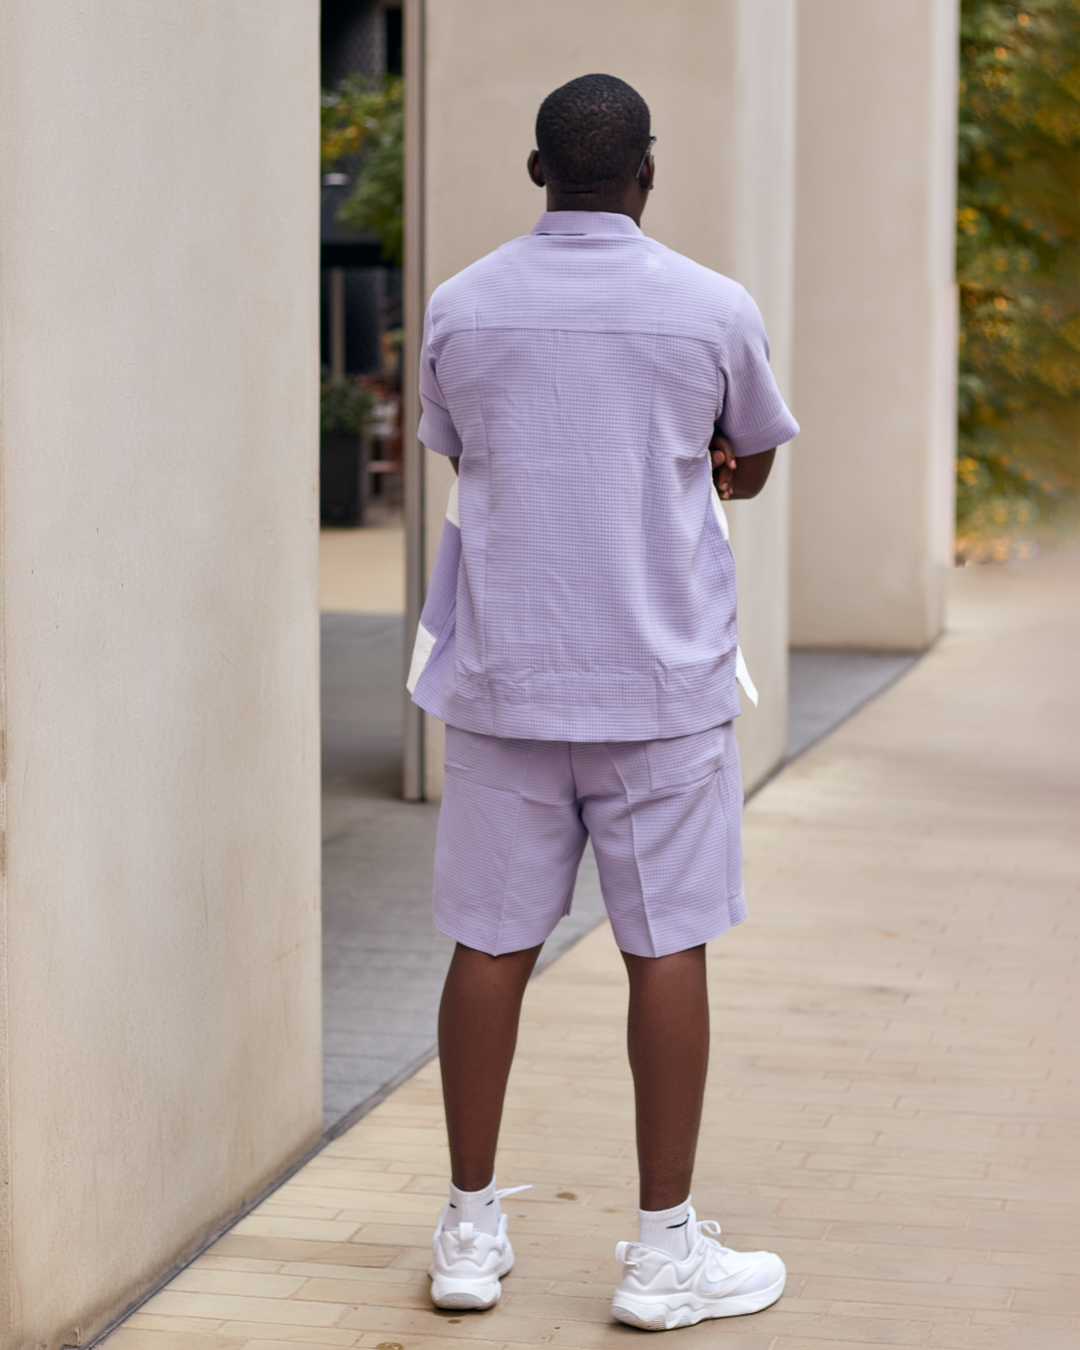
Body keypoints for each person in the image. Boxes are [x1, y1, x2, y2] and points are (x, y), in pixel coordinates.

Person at [406, 72, 799, 1332]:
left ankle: (469, 1236)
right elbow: (750, 461)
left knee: (489, 945)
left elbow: (461, 447)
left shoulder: (461, 305)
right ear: (647, 172)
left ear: (538, 172)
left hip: (506, 680)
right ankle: (663, 1255)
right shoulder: (711, 307)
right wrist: (707, 463)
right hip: (660, 691)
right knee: (665, 946)